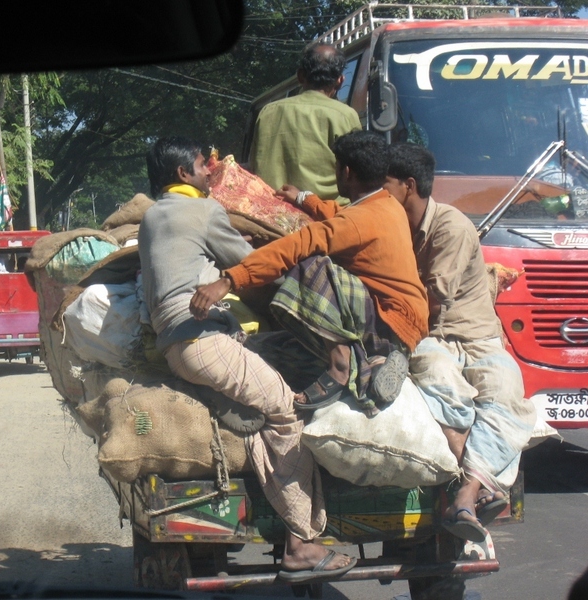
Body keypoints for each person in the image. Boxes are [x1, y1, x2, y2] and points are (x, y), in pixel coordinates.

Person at [138, 136, 357, 583]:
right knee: (286, 410)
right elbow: (254, 263)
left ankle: (240, 419)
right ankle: (300, 545)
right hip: (204, 339)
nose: (208, 173)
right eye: (202, 166)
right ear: (184, 174)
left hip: (177, 347)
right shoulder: (202, 209)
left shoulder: (151, 216)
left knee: (261, 414)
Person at [192, 131, 428, 415]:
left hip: (387, 320)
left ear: (347, 171)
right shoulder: (388, 204)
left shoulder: (358, 221)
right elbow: (342, 214)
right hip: (403, 325)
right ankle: (374, 363)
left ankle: (342, 366)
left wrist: (230, 279)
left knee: (309, 265)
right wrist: (304, 198)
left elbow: (299, 244)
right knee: (267, 347)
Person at [383, 142, 536, 542]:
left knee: (508, 397)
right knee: (442, 384)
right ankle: (469, 492)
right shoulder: (393, 224)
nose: (381, 194)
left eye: (386, 185)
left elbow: (432, 298)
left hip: (475, 337)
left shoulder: (450, 226)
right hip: (432, 337)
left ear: (408, 186)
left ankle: (465, 492)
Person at [248, 41, 361, 203]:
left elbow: (254, 166)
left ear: (300, 76)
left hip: (270, 216)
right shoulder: (346, 115)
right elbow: (355, 178)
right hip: (326, 219)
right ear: (340, 81)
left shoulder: (268, 112)